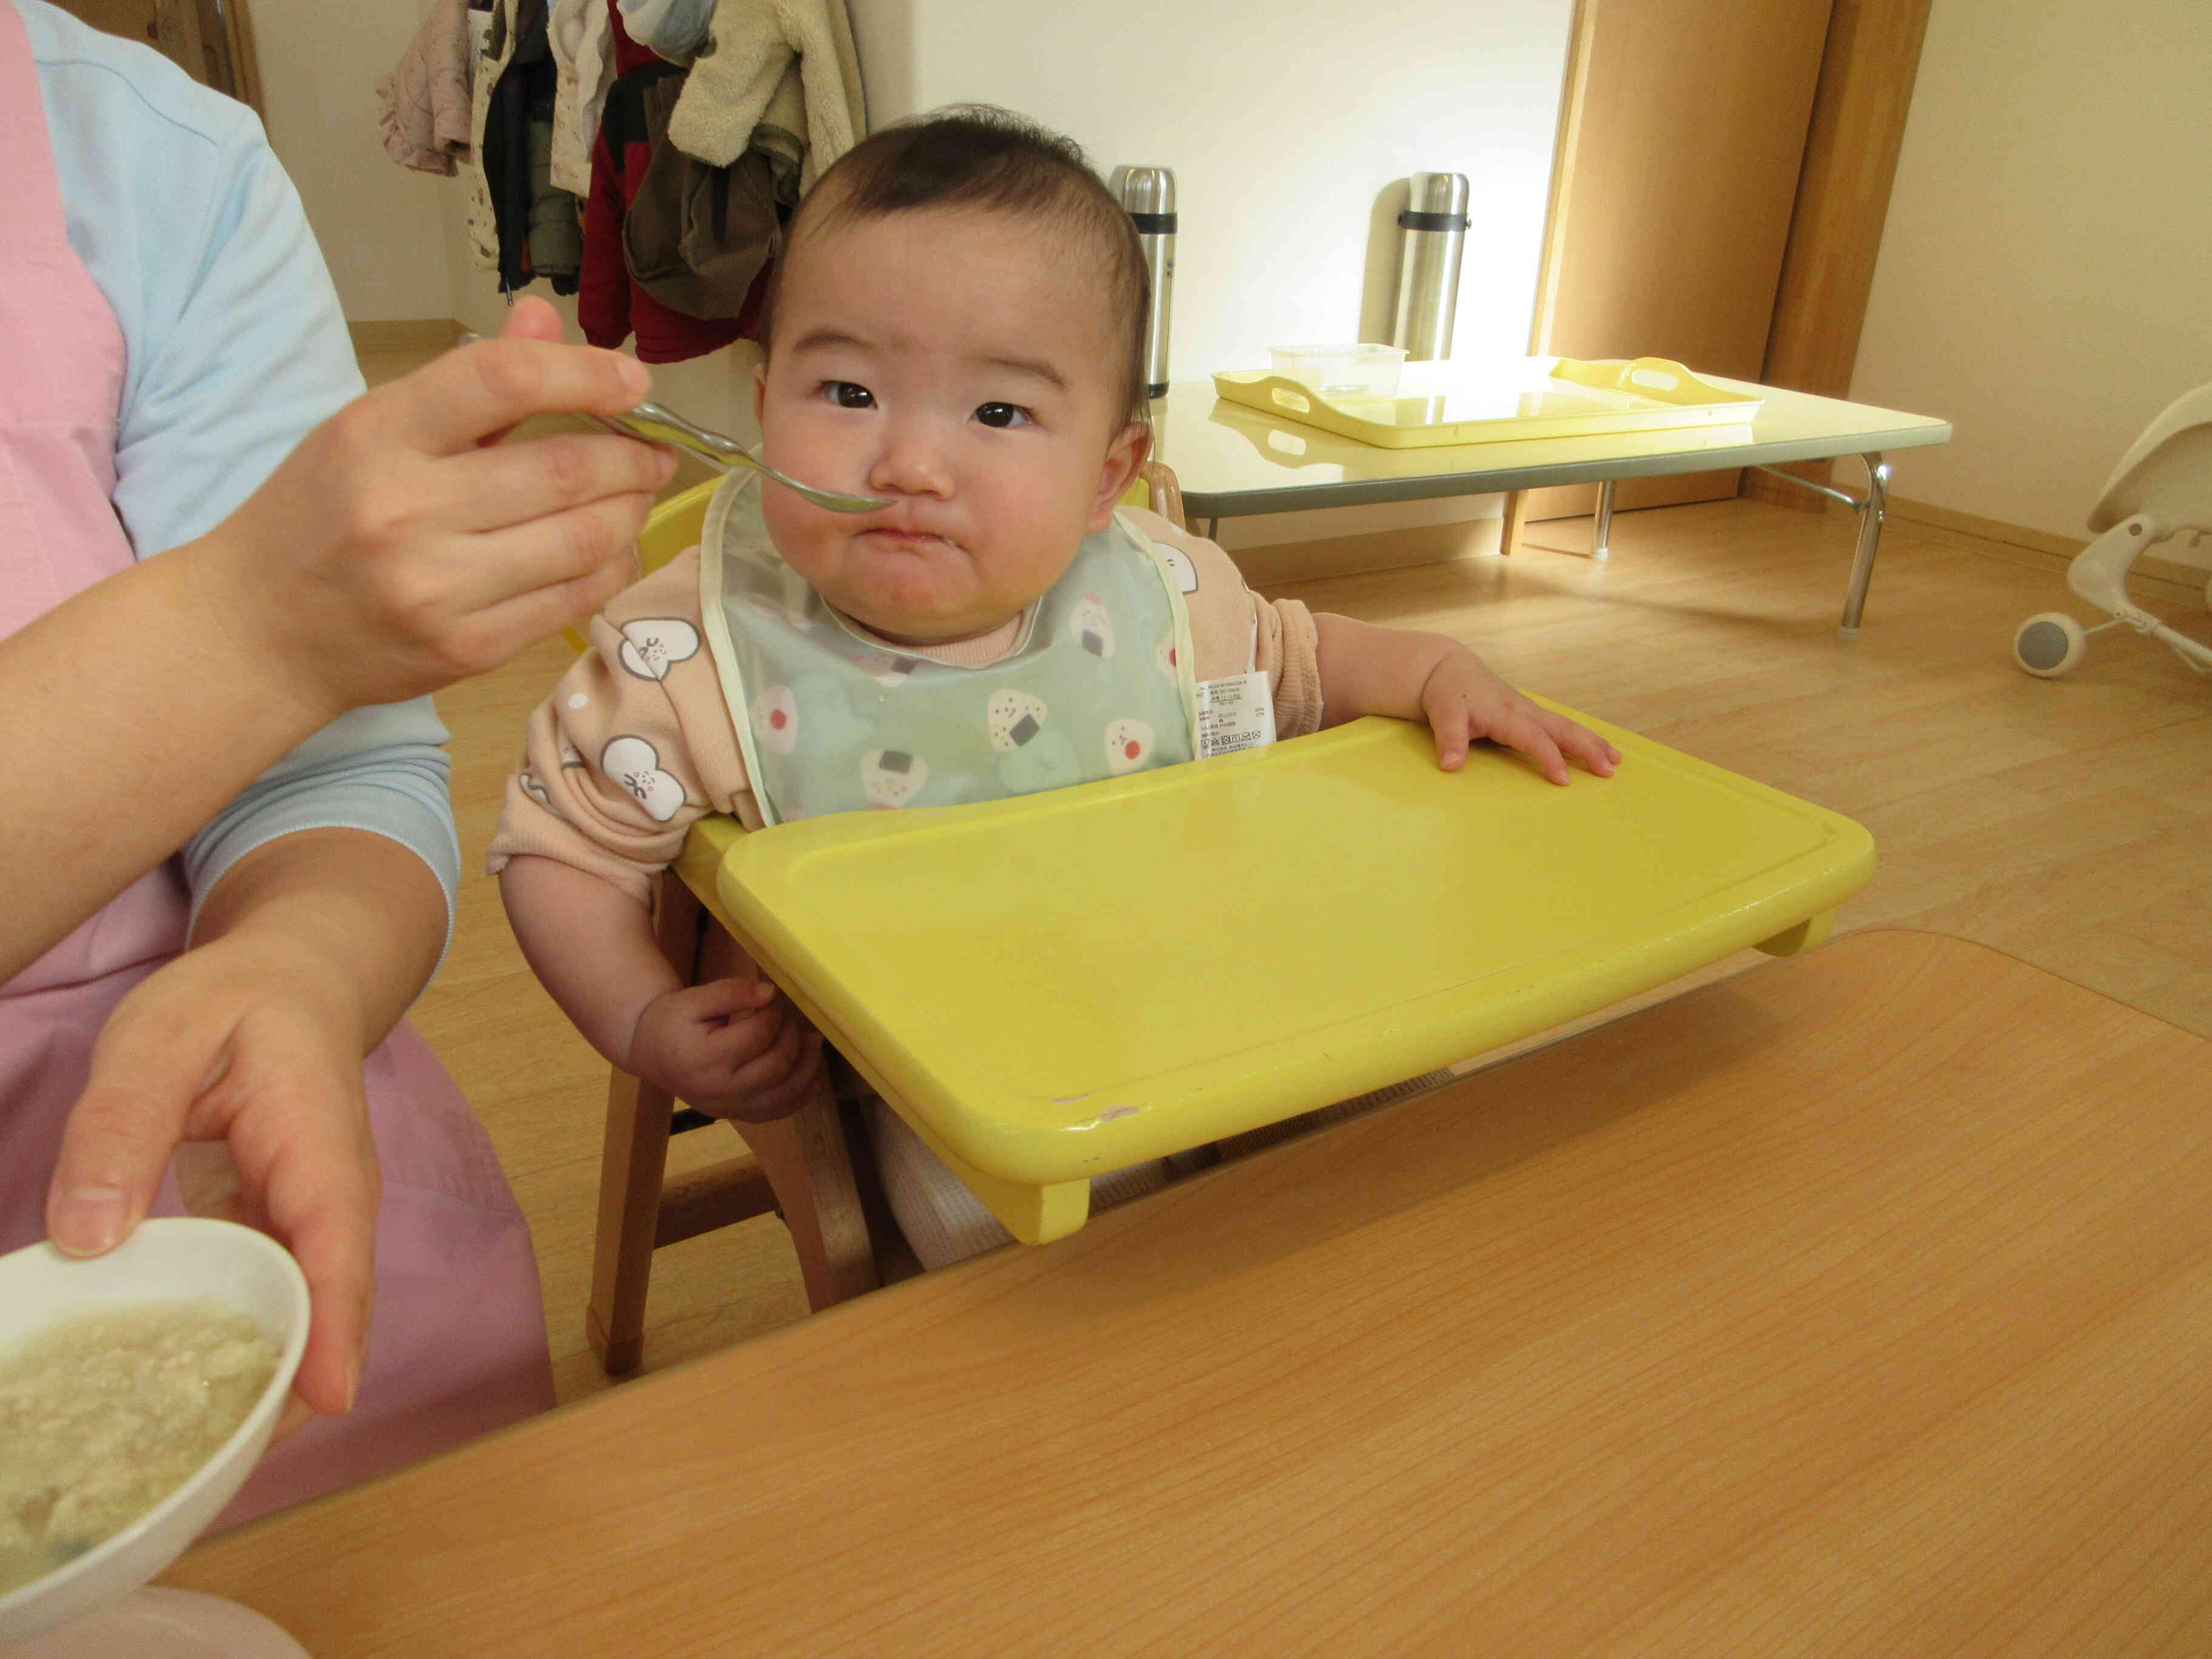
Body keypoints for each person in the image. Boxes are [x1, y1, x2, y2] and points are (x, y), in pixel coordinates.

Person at [491, 107, 1621, 1268]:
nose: (909, 466)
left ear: (1107, 476)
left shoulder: (1160, 595)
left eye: (997, 413)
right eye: (846, 394)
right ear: (766, 394)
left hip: (1210, 974)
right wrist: (637, 1017)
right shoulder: (694, 649)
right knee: (1042, 1249)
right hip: (948, 1069)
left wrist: (1439, 668)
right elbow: (558, 846)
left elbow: (1302, 663)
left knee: (1411, 1126)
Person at [2, 0, 677, 1523]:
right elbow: (562, 851)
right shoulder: (688, 664)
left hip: (245, 1133)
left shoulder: (156, 156)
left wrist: (300, 963)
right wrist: (258, 626)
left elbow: (336, 773)